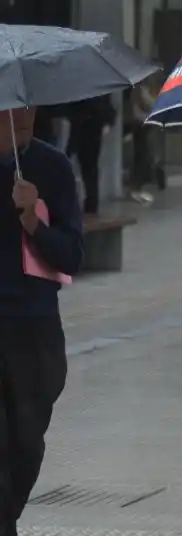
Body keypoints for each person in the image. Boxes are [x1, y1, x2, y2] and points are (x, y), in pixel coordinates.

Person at [0, 107, 83, 534]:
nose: (22, 115)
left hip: (34, 330)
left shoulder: (53, 167)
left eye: (28, 105)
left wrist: (33, 220)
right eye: (9, 106)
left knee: (26, 448)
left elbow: (72, 257)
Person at [65, 96, 116, 216]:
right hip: (91, 129)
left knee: (86, 167)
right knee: (90, 169)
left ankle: (89, 202)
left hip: (85, 128)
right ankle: (91, 203)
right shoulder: (98, 94)